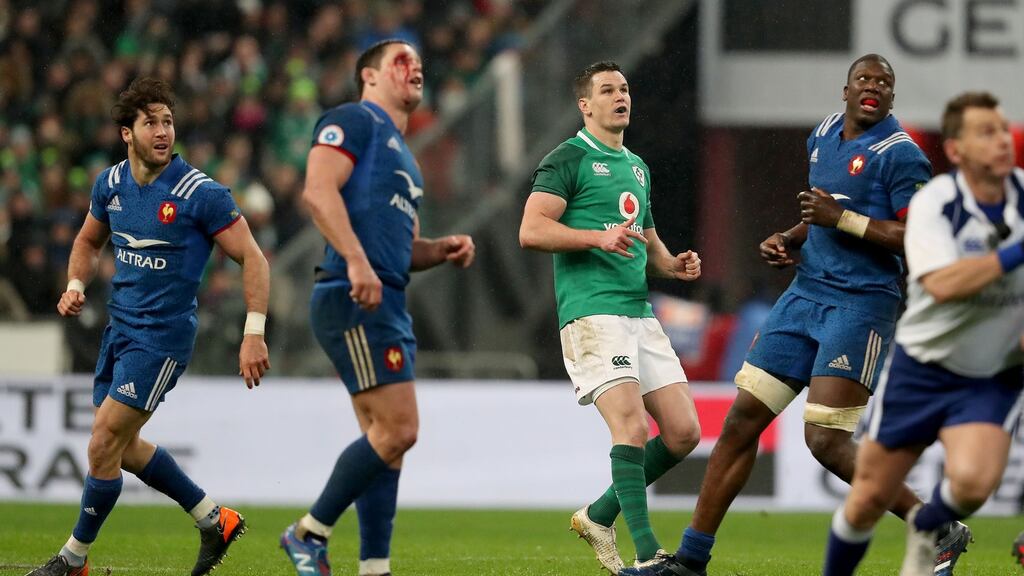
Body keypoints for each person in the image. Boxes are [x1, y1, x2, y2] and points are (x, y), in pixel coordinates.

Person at [626, 54, 972, 576]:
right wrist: (791, 237)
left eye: (884, 82)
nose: (873, 87)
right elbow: (821, 214)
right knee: (742, 422)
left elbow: (921, 236)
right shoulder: (825, 134)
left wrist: (844, 218)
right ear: (846, 90)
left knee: (825, 441)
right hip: (803, 297)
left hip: (860, 305)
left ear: (892, 97)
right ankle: (690, 562)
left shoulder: (902, 156)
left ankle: (936, 525)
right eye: (864, 79)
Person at [25, 77, 271, 576]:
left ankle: (73, 560)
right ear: (127, 133)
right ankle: (213, 519)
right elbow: (89, 242)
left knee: (101, 443)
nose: (162, 132)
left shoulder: (200, 193)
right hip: (119, 331)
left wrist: (253, 331)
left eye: (168, 121)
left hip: (162, 338)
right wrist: (75, 283)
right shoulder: (110, 184)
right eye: (150, 122)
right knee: (124, 448)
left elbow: (253, 257)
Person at [279, 39, 475, 576]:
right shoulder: (353, 120)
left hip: (382, 293)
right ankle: (308, 534)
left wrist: (439, 249)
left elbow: (402, 251)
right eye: (401, 61)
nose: (415, 68)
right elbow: (318, 193)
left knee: (386, 442)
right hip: (354, 292)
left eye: (420, 61)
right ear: (369, 76)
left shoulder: (407, 161)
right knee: (399, 430)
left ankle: (374, 567)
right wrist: (358, 262)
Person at [823, 91, 1024, 575]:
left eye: (1002, 129)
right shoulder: (937, 202)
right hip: (924, 365)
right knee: (868, 498)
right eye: (985, 132)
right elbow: (944, 284)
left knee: (974, 486)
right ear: (955, 150)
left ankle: (930, 527)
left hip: (993, 371)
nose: (1001, 140)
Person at [519, 60, 703, 574]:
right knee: (631, 426)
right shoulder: (568, 158)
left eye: (624, 88)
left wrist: (671, 265)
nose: (620, 96)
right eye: (607, 90)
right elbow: (531, 230)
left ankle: (599, 515)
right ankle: (648, 556)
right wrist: (595, 236)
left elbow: (643, 235)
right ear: (586, 105)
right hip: (591, 312)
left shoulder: (638, 166)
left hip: (639, 314)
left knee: (685, 431)